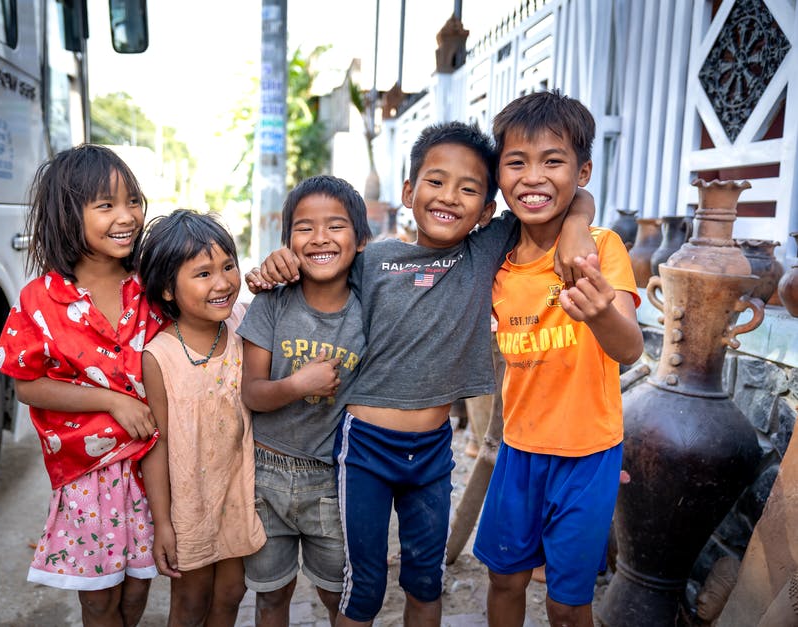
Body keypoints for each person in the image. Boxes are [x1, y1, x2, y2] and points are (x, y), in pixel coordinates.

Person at [248, 121, 597, 626]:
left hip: (432, 454)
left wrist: (579, 224)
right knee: (363, 584)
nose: (449, 197)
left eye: (469, 189)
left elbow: (573, 197)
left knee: (425, 581)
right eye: (435, 181)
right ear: (409, 191)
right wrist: (280, 261)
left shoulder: (484, 253)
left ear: (486, 212)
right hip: (363, 447)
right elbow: (318, 260)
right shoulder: (374, 260)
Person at [471, 91, 643, 627]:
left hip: (588, 455)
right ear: (498, 174)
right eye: (516, 162)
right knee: (503, 579)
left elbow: (630, 349)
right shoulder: (493, 260)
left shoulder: (601, 249)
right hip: (519, 450)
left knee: (568, 604)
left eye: (553, 161)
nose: (533, 177)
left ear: (582, 169)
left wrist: (598, 314)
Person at [0, 144, 164, 626]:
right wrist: (111, 401)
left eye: (132, 200)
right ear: (69, 215)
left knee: (136, 591)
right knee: (99, 600)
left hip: (152, 468)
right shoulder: (39, 300)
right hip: (88, 478)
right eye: (106, 205)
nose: (127, 216)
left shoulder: (151, 285)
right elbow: (28, 384)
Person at [239, 176, 372, 626]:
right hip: (265, 477)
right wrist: (300, 384)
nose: (319, 238)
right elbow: (251, 393)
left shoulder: (370, 308)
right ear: (286, 242)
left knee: (341, 598)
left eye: (336, 226)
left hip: (334, 483)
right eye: (304, 228)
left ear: (361, 239)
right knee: (272, 598)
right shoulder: (272, 304)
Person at [138, 210, 266, 627]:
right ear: (168, 290)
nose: (223, 282)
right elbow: (155, 445)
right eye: (203, 273)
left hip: (237, 491)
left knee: (231, 593)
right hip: (189, 504)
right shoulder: (159, 357)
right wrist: (162, 524)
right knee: (191, 602)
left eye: (229, 266)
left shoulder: (244, 323)